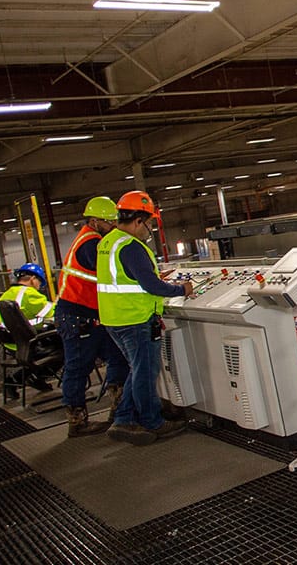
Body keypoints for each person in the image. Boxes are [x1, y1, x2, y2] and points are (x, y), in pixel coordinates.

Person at [96, 190, 194, 446]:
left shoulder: (108, 242)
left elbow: (127, 279)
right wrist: (180, 289)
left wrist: (150, 278)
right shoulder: (131, 246)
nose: (147, 230)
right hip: (135, 319)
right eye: (148, 224)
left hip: (114, 319)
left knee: (137, 370)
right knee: (145, 372)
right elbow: (151, 286)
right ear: (139, 220)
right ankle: (152, 422)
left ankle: (124, 418)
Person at [56, 196, 130, 438]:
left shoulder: (92, 240)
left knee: (117, 357)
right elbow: (110, 272)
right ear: (96, 221)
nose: (114, 227)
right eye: (110, 223)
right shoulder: (91, 243)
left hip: (91, 316)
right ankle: (77, 422)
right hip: (78, 317)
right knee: (78, 368)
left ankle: (120, 410)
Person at [0, 262, 58, 393]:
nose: (39, 286)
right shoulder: (29, 294)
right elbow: (54, 313)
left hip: (12, 344)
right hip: (30, 344)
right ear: (32, 279)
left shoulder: (4, 296)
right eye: (40, 282)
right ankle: (34, 377)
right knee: (64, 348)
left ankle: (16, 381)